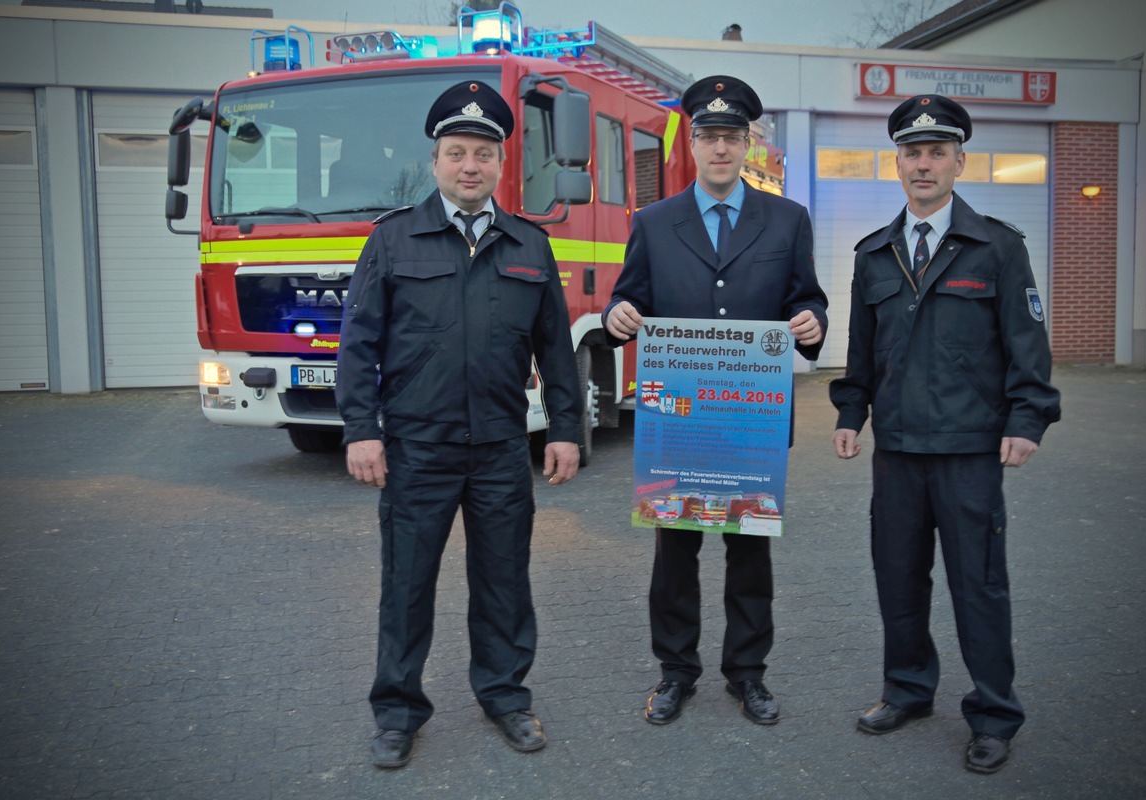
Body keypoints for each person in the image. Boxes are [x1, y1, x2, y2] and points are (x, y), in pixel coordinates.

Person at [336, 80, 582, 769]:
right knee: (406, 585)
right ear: (435, 161)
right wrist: (361, 428)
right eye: (455, 153)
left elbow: (556, 348)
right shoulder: (393, 240)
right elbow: (358, 343)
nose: (468, 165)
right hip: (417, 448)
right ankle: (397, 711)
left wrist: (565, 427)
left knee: (505, 584)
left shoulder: (529, 244)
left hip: (503, 448)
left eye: (481, 153)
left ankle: (505, 697)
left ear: (501, 163)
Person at [829, 95, 1062, 774]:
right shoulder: (875, 254)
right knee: (899, 581)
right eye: (912, 152)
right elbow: (862, 351)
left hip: (969, 452)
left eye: (936, 152)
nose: (923, 164)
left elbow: (1028, 344)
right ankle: (907, 690)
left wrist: (1028, 420)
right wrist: (851, 413)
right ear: (896, 162)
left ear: (960, 161)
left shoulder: (997, 247)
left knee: (978, 586)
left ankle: (993, 714)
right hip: (898, 452)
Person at [604, 75, 829, 727]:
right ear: (692, 144)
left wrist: (812, 322)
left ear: (747, 146)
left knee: (747, 553)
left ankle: (748, 674)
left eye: (732, 137)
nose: (720, 149)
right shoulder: (653, 221)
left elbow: (805, 298)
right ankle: (676, 673)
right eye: (709, 136)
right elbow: (631, 294)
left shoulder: (788, 221)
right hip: (679, 427)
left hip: (748, 425)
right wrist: (621, 313)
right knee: (674, 554)